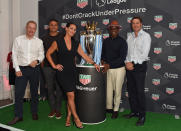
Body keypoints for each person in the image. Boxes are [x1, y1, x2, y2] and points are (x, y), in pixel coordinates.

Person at [46, 22, 100, 128]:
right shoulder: (58, 42)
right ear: (66, 29)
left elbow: (84, 55)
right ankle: (76, 118)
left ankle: (68, 117)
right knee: (71, 95)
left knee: (70, 96)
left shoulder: (76, 43)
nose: (73, 31)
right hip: (62, 73)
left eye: (75, 29)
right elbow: (48, 53)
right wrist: (54, 65)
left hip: (72, 72)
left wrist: (94, 63)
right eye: (71, 28)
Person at [8, 20, 44, 125]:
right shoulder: (18, 40)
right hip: (21, 70)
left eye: (33, 28)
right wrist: (17, 69)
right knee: (18, 93)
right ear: (26, 28)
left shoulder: (39, 41)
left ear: (35, 30)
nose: (31, 30)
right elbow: (14, 55)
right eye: (30, 27)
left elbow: (42, 54)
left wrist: (37, 61)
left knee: (34, 92)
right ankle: (18, 116)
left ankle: (34, 112)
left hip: (34, 69)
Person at [123, 16, 151, 126]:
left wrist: (132, 63)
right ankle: (134, 112)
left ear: (141, 24)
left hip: (139, 67)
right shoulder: (129, 37)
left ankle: (142, 115)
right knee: (131, 91)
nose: (135, 25)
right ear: (131, 25)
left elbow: (144, 55)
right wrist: (126, 62)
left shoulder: (146, 36)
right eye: (133, 23)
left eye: (137, 23)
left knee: (139, 91)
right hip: (129, 67)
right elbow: (126, 53)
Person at [101, 20, 128, 119]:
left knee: (117, 90)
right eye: (112, 28)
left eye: (116, 28)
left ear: (118, 29)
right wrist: (103, 61)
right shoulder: (106, 41)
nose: (114, 30)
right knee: (108, 90)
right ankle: (109, 107)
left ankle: (116, 109)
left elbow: (122, 58)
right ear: (109, 29)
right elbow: (103, 54)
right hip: (108, 68)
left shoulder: (122, 41)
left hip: (119, 69)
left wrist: (109, 64)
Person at [41, 19, 63, 119]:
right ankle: (53, 109)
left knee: (59, 89)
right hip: (47, 67)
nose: (53, 26)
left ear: (58, 26)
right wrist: (42, 68)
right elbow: (42, 54)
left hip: (60, 67)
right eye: (51, 25)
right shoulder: (44, 38)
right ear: (48, 26)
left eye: (55, 25)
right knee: (49, 89)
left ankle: (58, 110)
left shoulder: (62, 37)